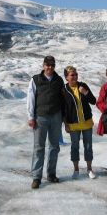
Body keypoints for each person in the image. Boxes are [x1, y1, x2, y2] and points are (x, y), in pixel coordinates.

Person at [27, 55, 65, 189]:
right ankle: (36, 177)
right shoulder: (36, 79)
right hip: (40, 117)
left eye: (52, 65)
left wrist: (63, 118)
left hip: (56, 116)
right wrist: (31, 116)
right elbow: (31, 98)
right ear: (43, 65)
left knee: (54, 146)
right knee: (39, 147)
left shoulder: (59, 80)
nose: (50, 67)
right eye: (47, 65)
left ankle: (51, 174)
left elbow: (63, 99)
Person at [63, 66, 97, 180]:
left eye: (76, 74)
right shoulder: (64, 90)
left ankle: (89, 169)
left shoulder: (83, 86)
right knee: (74, 147)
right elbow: (63, 109)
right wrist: (66, 124)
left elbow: (93, 101)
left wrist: (85, 92)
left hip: (86, 122)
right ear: (66, 77)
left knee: (88, 146)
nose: (75, 76)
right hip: (73, 124)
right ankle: (76, 169)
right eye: (72, 75)